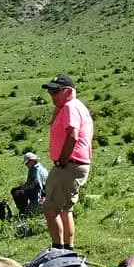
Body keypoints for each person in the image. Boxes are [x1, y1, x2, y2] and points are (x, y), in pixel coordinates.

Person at [43, 75, 95, 248]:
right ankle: (68, 250)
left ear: (68, 91)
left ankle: (58, 250)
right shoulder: (76, 106)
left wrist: (62, 161)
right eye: (50, 90)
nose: (52, 94)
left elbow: (72, 135)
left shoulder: (70, 107)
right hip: (77, 164)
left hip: (69, 164)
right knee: (66, 210)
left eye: (56, 90)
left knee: (50, 208)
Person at [12, 152, 49, 217]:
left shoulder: (36, 170)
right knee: (16, 190)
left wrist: (35, 203)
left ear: (32, 161)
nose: (26, 165)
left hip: (42, 195)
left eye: (27, 163)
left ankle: (25, 210)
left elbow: (37, 187)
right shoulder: (36, 168)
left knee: (17, 192)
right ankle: (25, 209)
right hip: (43, 193)